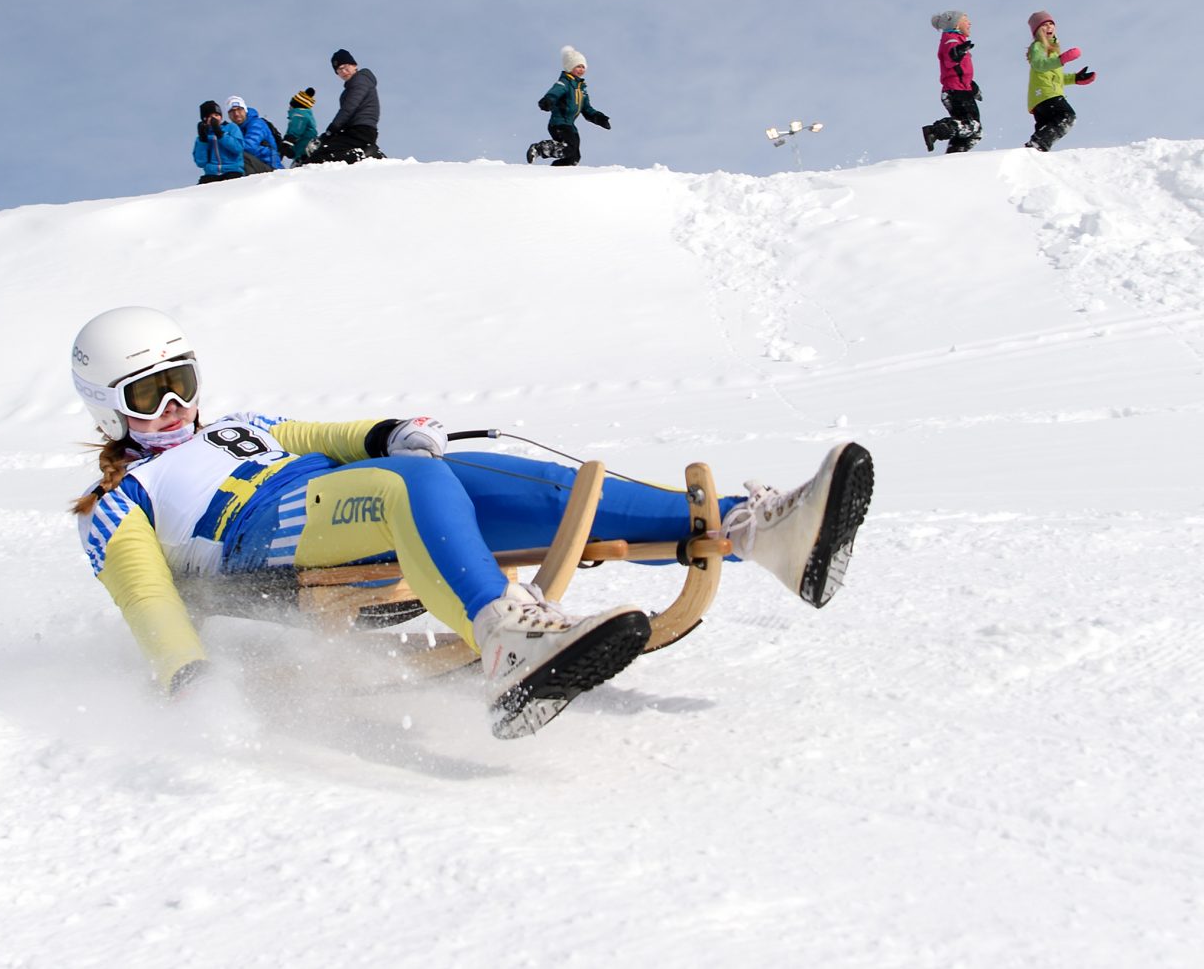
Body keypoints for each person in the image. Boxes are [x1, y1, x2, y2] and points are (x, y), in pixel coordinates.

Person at [67, 306, 876, 739]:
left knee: (504, 477)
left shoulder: (238, 422)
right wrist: (187, 675)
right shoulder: (119, 499)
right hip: (268, 534)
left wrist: (390, 432)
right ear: (107, 405)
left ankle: (757, 530)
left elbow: (322, 435)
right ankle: (506, 638)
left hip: (344, 488)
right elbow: (145, 594)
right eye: (147, 394)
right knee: (410, 484)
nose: (171, 406)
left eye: (180, 381)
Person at [1024, 11, 1095, 152]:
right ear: (1037, 31)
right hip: (1045, 94)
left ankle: (1033, 151)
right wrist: (1061, 60)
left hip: (1042, 97)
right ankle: (1037, 143)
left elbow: (1055, 78)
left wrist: (1075, 78)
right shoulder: (1038, 46)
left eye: (1051, 24)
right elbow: (1039, 65)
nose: (1049, 27)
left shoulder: (1052, 52)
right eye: (1044, 25)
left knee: (1045, 130)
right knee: (1067, 116)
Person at [528, 46, 610, 167]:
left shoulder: (581, 89)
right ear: (569, 67)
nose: (581, 69)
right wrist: (548, 101)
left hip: (570, 126)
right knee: (568, 148)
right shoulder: (564, 82)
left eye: (583, 67)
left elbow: (587, 109)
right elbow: (555, 92)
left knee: (574, 157)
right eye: (578, 66)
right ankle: (539, 148)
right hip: (559, 123)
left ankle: (559, 171)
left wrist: (599, 118)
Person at [302, 50, 382, 164]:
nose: (343, 72)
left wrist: (331, 130)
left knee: (320, 157)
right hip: (354, 130)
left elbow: (349, 109)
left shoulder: (360, 81)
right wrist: (328, 135)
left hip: (361, 131)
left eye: (345, 67)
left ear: (354, 65)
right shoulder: (352, 86)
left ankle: (365, 155)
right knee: (321, 151)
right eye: (339, 70)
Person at [922, 11, 983, 153]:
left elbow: (960, 72)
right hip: (955, 91)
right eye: (965, 20)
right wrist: (957, 52)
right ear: (955, 24)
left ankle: (955, 154)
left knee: (974, 132)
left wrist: (972, 87)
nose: (969, 23)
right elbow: (950, 58)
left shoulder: (957, 40)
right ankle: (935, 131)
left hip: (960, 90)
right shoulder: (951, 40)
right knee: (973, 126)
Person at [193, 101, 247, 183]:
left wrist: (220, 134)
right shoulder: (204, 137)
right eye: (210, 117)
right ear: (205, 119)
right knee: (201, 187)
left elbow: (238, 148)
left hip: (232, 170)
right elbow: (201, 162)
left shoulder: (231, 128)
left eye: (216, 115)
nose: (214, 119)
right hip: (212, 174)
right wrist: (203, 140)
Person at [225, 96, 282, 172]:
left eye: (239, 109)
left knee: (239, 154)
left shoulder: (257, 123)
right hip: (256, 165)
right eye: (232, 111)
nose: (236, 114)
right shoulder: (234, 129)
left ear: (245, 110)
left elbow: (249, 147)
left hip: (270, 167)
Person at [282, 88, 319, 164]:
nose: (289, 107)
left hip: (304, 149)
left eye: (291, 104)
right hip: (303, 148)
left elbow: (296, 130)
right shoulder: (304, 114)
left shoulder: (300, 115)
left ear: (295, 104)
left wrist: (287, 143)